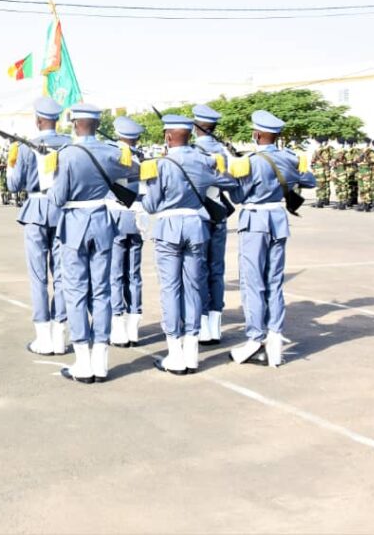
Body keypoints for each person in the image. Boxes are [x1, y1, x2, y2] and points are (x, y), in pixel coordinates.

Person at [142, 115, 235, 375]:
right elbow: (228, 181)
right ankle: (192, 354)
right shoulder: (204, 160)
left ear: (168, 136)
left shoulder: (161, 164)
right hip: (197, 228)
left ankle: (175, 354)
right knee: (194, 288)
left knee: (171, 289)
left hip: (169, 229)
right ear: (189, 135)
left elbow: (150, 205)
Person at [49, 102, 133, 384]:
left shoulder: (68, 155)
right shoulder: (111, 152)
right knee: (102, 291)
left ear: (75, 124)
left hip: (74, 226)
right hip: (102, 224)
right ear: (98, 125)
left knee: (75, 292)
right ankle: (101, 360)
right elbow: (132, 173)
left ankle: (83, 361)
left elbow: (58, 198)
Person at [228, 110, 317, 367]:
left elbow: (238, 197)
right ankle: (275, 336)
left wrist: (234, 174)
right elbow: (309, 182)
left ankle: (255, 338)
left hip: (255, 221)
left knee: (253, 282)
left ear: (257, 134)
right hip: (278, 220)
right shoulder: (291, 157)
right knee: (274, 282)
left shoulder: (251, 161)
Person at [6, 96, 73, 356]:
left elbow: (14, 185)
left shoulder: (26, 146)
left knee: (38, 277)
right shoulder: (69, 145)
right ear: (56, 120)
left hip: (36, 211)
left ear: (37, 121)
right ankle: (59, 335)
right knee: (63, 275)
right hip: (63, 212)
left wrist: (12, 164)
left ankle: (43, 337)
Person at [191, 104, 233, 346]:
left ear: (197, 127)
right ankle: (215, 327)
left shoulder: (192, 151)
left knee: (198, 270)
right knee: (216, 270)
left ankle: (204, 324)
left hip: (199, 215)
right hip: (217, 215)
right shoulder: (222, 152)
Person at [107, 116, 146, 348]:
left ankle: (119, 326)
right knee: (134, 273)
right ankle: (133, 326)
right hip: (137, 218)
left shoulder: (113, 157)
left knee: (115, 274)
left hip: (116, 217)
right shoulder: (142, 159)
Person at [310, 137, 333, 208]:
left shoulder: (319, 149)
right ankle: (325, 199)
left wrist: (313, 161)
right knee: (325, 184)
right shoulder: (329, 148)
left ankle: (320, 201)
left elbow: (313, 160)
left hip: (320, 169)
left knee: (320, 185)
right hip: (325, 168)